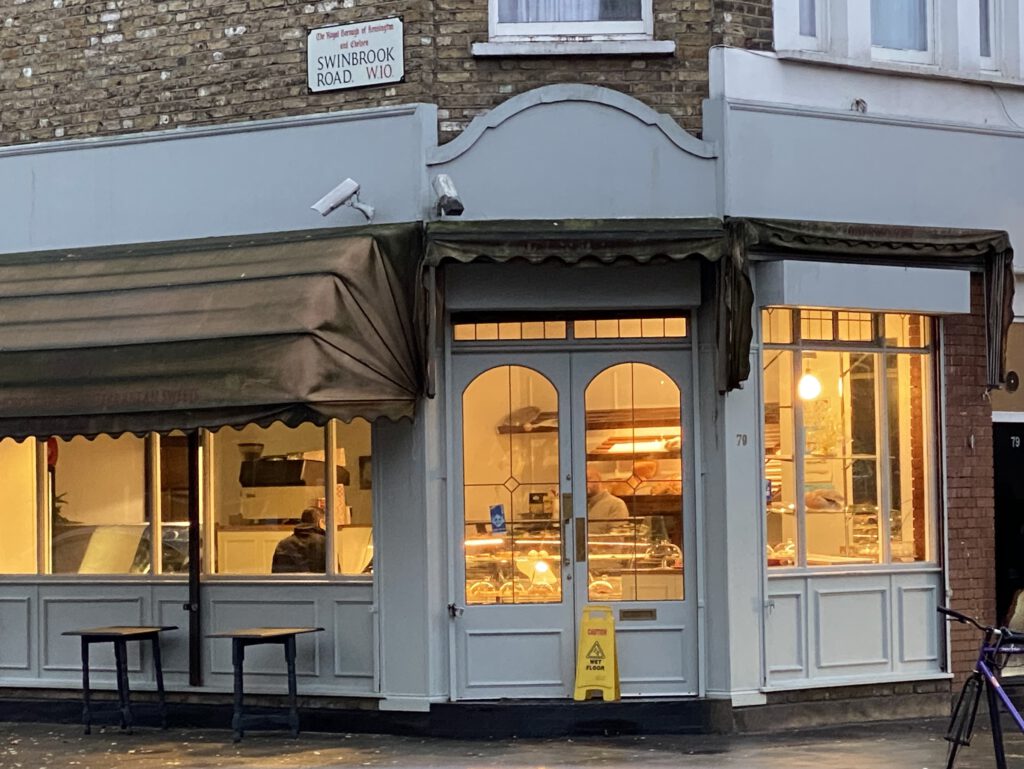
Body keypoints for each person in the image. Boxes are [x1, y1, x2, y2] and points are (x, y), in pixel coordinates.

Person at [271, 507, 326, 573]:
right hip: (316, 583)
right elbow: (334, 577)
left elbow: (276, 574)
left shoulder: (283, 544)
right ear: (320, 522)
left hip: (289, 583)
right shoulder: (325, 544)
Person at [586, 468, 628, 534]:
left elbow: (616, 539)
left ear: (599, 480)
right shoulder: (577, 505)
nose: (584, 483)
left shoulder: (616, 504)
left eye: (588, 479)